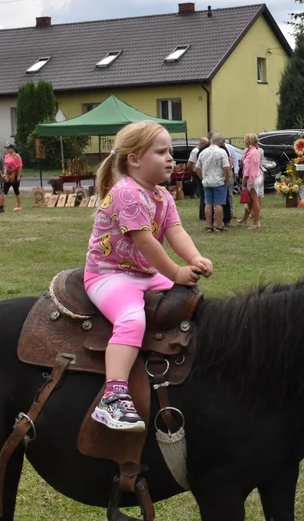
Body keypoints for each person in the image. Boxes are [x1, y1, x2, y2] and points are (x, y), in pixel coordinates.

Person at [85, 120, 213, 431]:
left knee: (189, 302)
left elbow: (175, 231)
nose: (171, 158)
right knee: (132, 319)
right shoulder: (128, 193)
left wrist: (194, 258)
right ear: (135, 159)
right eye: (161, 152)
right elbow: (144, 241)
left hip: (144, 273)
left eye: (170, 151)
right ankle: (113, 397)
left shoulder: (162, 196)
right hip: (110, 274)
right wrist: (177, 272)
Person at [196, 132, 231, 233]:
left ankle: (209, 225)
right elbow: (226, 167)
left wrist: (202, 177)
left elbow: (197, 168)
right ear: (220, 141)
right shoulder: (222, 152)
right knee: (219, 203)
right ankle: (219, 226)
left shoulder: (203, 152)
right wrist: (227, 179)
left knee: (208, 203)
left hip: (207, 181)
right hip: (219, 181)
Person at [238, 133, 264, 229]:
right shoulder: (251, 151)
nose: (244, 142)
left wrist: (246, 179)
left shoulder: (253, 152)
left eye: (245, 140)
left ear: (249, 141)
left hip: (252, 178)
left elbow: (251, 168)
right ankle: (246, 219)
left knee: (254, 199)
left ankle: (256, 222)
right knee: (250, 201)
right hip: (252, 178)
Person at [2, 142, 24, 211]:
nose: (7, 150)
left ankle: (19, 205)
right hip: (8, 174)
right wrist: (5, 175)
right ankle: (1, 205)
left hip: (15, 174)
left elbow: (20, 166)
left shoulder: (16, 156)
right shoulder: (7, 156)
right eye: (7, 148)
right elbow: (5, 166)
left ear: (12, 149)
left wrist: (19, 176)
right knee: (4, 190)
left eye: (8, 148)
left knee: (16, 190)